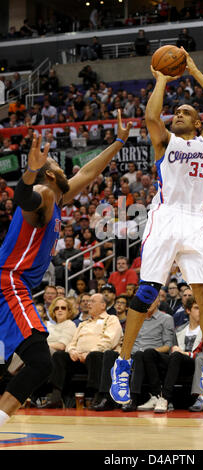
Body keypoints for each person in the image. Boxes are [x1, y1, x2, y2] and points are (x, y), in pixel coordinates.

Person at [110, 48, 203, 407]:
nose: (177, 114)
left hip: (195, 220)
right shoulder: (165, 141)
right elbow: (150, 115)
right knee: (146, 293)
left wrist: (193, 70)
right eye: (175, 112)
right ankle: (123, 361)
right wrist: (162, 78)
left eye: (186, 112)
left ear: (198, 123)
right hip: (165, 217)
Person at [0, 110, 132, 426]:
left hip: (13, 283)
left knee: (21, 364)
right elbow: (23, 197)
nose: (65, 168)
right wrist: (29, 173)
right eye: (57, 166)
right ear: (48, 175)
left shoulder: (57, 196)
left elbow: (88, 172)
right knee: (40, 363)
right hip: (10, 282)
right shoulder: (44, 193)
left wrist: (118, 142)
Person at [39, 293, 123, 408]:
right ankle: (56, 397)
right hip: (78, 357)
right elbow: (71, 343)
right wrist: (72, 351)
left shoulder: (111, 319)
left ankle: (97, 396)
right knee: (59, 356)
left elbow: (109, 341)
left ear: (103, 305)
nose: (88, 304)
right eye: (88, 302)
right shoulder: (83, 324)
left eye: (92, 301)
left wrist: (89, 352)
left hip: (99, 357)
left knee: (95, 355)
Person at [137, 296, 202, 413]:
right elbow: (172, 348)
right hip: (176, 361)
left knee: (176, 355)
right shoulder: (179, 329)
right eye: (197, 308)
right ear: (188, 311)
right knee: (149, 352)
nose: (200, 312)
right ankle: (156, 396)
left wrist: (184, 353)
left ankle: (165, 397)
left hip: (193, 362)